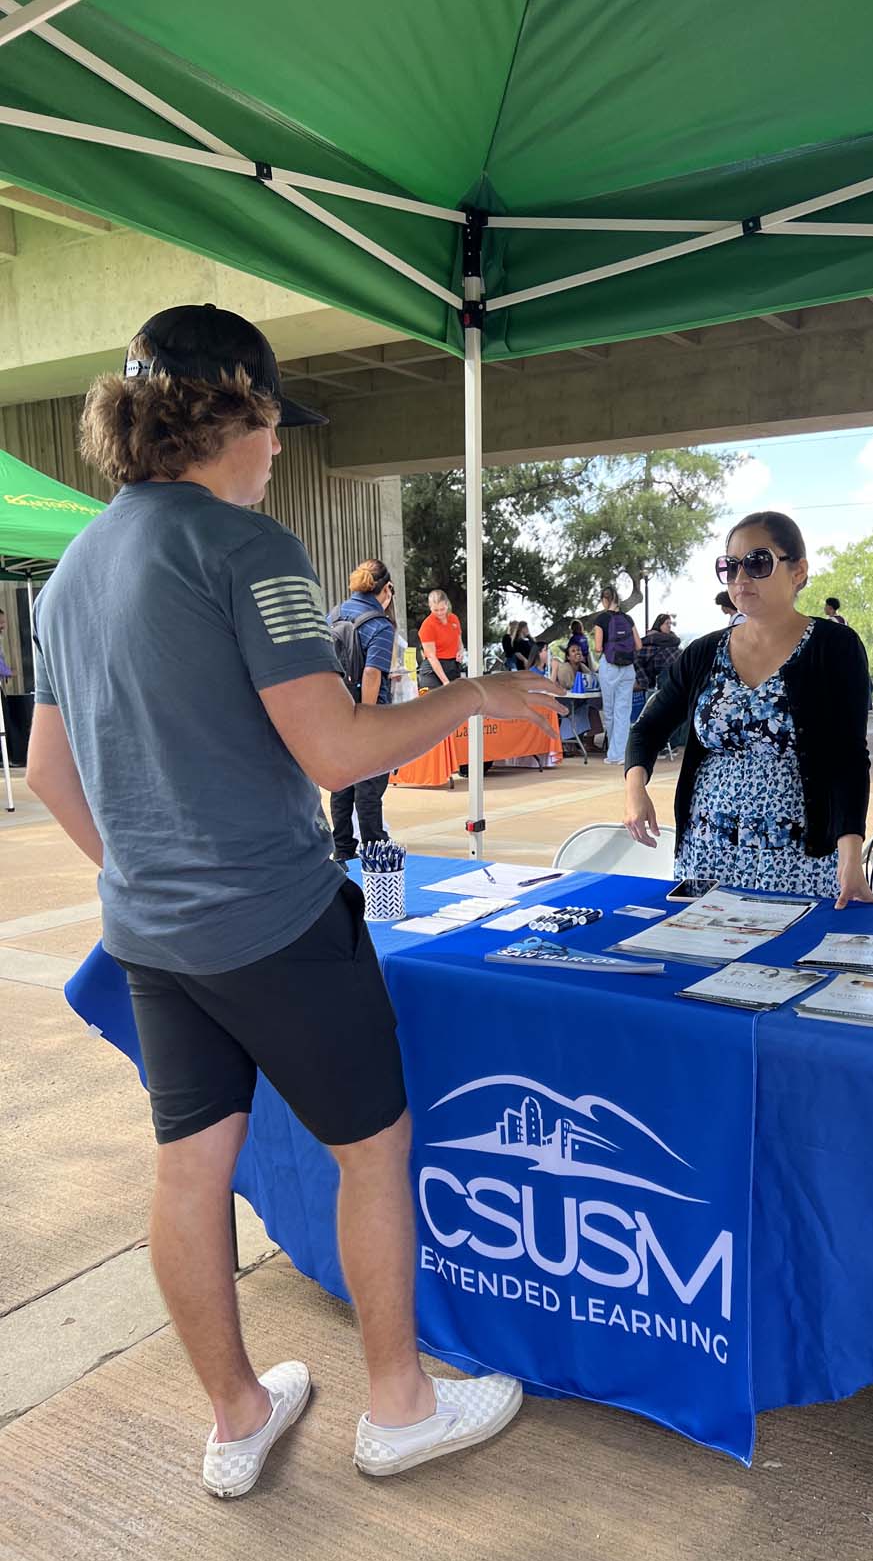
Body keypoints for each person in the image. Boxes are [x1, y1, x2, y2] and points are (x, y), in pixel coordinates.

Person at [25, 303, 558, 1495]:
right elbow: (336, 750)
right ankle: (401, 1404)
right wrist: (478, 698)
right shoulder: (244, 546)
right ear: (230, 410)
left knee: (186, 1171)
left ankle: (235, 1416)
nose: (279, 450)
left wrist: (148, 869)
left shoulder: (68, 578)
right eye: (273, 423)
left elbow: (49, 773)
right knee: (372, 1152)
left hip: (151, 935)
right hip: (274, 918)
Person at [623, 510, 873, 906]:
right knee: (702, 955)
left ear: (798, 571)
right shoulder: (704, 652)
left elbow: (847, 757)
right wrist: (636, 790)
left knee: (788, 962)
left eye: (758, 563)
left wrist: (850, 859)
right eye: (730, 566)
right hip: (708, 848)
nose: (741, 578)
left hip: (798, 855)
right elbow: (647, 729)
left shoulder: (834, 646)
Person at [327, 559, 396, 864]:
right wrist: (366, 717)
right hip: (366, 714)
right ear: (387, 588)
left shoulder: (334, 614)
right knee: (369, 784)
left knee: (341, 783)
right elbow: (371, 674)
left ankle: (342, 849)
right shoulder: (379, 625)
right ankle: (374, 849)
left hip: (335, 711)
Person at [593, 587, 641, 766]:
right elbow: (638, 644)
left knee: (610, 711)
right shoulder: (628, 618)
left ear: (604, 600)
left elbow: (598, 647)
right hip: (628, 668)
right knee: (624, 711)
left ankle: (613, 753)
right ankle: (620, 752)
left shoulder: (602, 619)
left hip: (610, 667)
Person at [416, 588, 465, 689]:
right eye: (435, 610)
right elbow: (431, 657)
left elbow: (459, 641)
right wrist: (445, 681)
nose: (439, 613)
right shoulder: (427, 625)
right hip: (433, 670)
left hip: (452, 666)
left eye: (442, 609)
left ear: (447, 604)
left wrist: (460, 650)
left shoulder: (454, 619)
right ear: (430, 607)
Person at [636, 612, 681, 693]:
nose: (669, 626)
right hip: (666, 675)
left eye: (670, 623)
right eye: (667, 623)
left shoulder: (671, 641)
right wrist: (644, 682)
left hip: (677, 672)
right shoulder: (650, 641)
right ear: (659, 625)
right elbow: (637, 659)